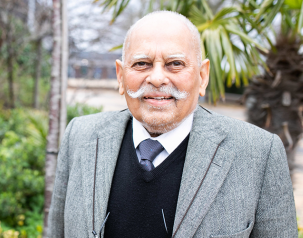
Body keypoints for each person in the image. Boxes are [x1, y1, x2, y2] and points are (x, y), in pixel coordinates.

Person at [48, 11, 298, 238]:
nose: (157, 78)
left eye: (175, 64)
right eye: (141, 63)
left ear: (202, 76)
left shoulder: (259, 154)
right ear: (121, 76)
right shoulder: (80, 137)